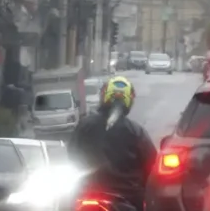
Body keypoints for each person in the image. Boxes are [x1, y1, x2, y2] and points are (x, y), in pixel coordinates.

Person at [67, 75, 157, 211]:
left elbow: (71, 153)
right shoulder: (136, 132)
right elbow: (152, 165)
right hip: (127, 198)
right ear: (129, 100)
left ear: (104, 96)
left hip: (85, 194)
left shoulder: (84, 125)